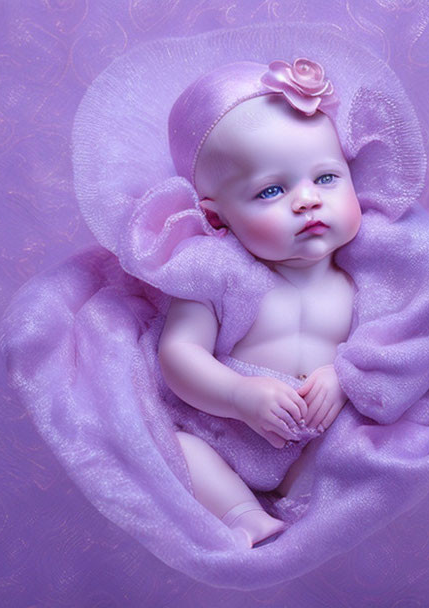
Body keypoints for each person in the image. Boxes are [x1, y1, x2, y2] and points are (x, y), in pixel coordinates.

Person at [157, 59, 359, 548]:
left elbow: (383, 346)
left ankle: (308, 506)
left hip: (313, 439)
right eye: (272, 190)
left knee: (364, 437)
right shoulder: (218, 274)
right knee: (174, 449)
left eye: (327, 178)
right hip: (223, 434)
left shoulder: (364, 277)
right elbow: (178, 354)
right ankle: (243, 513)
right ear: (217, 216)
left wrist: (342, 375)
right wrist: (238, 396)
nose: (307, 201)